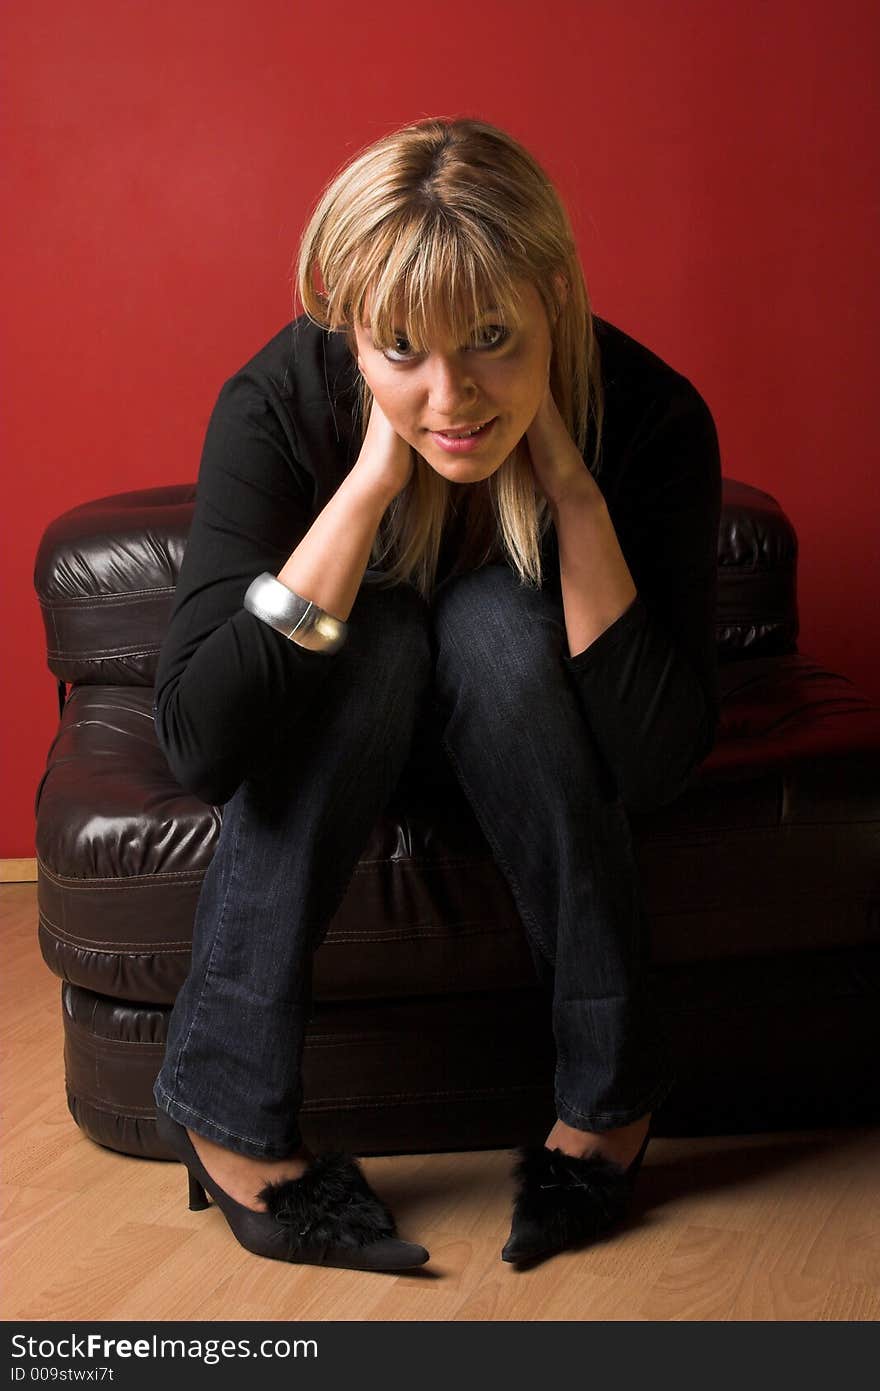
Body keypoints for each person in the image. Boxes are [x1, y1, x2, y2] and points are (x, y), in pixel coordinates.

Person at [152, 115, 721, 1273]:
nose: (450, 395)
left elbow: (657, 760)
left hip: (530, 734)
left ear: (553, 295)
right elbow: (199, 744)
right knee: (372, 630)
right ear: (350, 324)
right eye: (401, 345)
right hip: (339, 734)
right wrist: (368, 485)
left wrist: (567, 488)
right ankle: (227, 1119)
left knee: (498, 617)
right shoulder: (278, 401)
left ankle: (607, 1104)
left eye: (494, 337)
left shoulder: (649, 415)